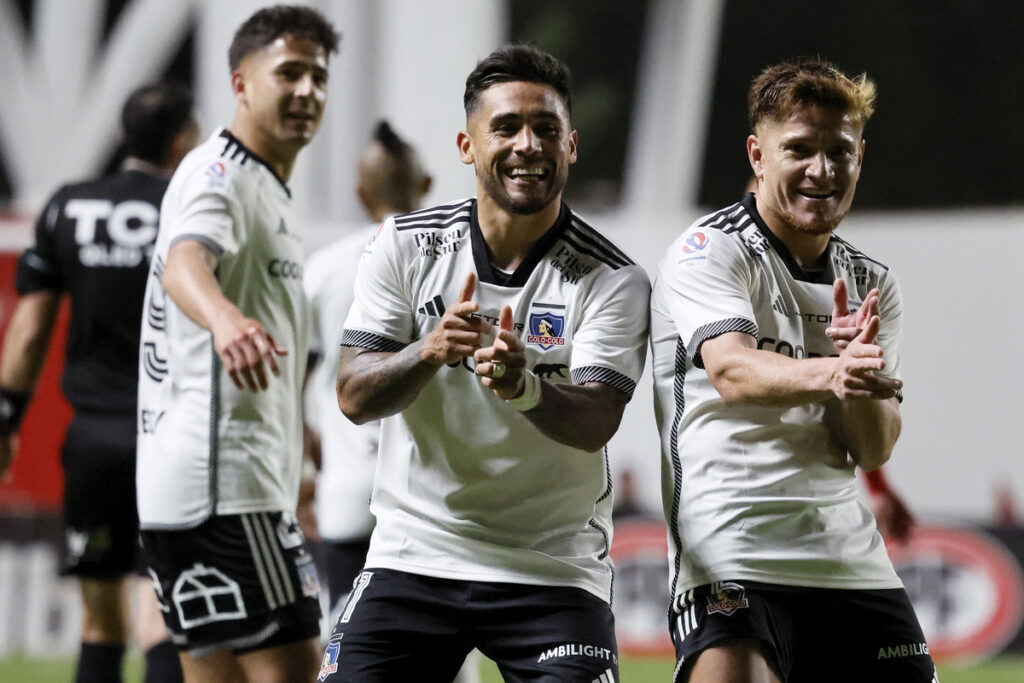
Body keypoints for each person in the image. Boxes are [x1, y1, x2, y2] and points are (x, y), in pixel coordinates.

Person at [318, 44, 650, 682]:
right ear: (468, 146)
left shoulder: (612, 279)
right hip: (416, 555)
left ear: (571, 146)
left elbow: (596, 419)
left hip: (552, 568)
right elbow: (354, 395)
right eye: (506, 127)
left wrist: (526, 388)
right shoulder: (407, 247)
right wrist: (428, 350)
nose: (528, 145)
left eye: (545, 128)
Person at [650, 59, 937, 682]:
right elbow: (731, 371)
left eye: (840, 150)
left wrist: (856, 385)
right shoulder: (711, 250)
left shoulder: (871, 282)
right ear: (758, 154)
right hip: (730, 549)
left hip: (848, 559)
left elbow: (873, 447)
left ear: (861, 155)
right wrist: (833, 372)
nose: (822, 170)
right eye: (799, 149)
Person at [134, 6, 339, 681]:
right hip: (226, 489)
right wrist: (223, 318)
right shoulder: (218, 172)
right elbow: (184, 260)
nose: (307, 90)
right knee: (297, 671)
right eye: (289, 73)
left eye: (318, 75)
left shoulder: (265, 186)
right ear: (241, 83)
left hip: (194, 487)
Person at [0, 82, 197, 683]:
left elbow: (30, 329)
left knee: (98, 621)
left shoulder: (69, 206)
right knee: (162, 616)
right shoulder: (193, 208)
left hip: (93, 445)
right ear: (183, 138)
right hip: (170, 438)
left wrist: (6, 418)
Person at [743, 174, 916, 544]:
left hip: (814, 505)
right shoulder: (726, 280)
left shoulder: (839, 293)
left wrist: (879, 486)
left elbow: (838, 401)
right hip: (737, 501)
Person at [304, 119, 431, 616]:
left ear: (360, 193)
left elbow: (294, 384)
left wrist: (308, 463)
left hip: (349, 488)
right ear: (425, 185)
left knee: (352, 652)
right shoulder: (450, 264)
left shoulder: (324, 271)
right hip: (431, 496)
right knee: (445, 653)